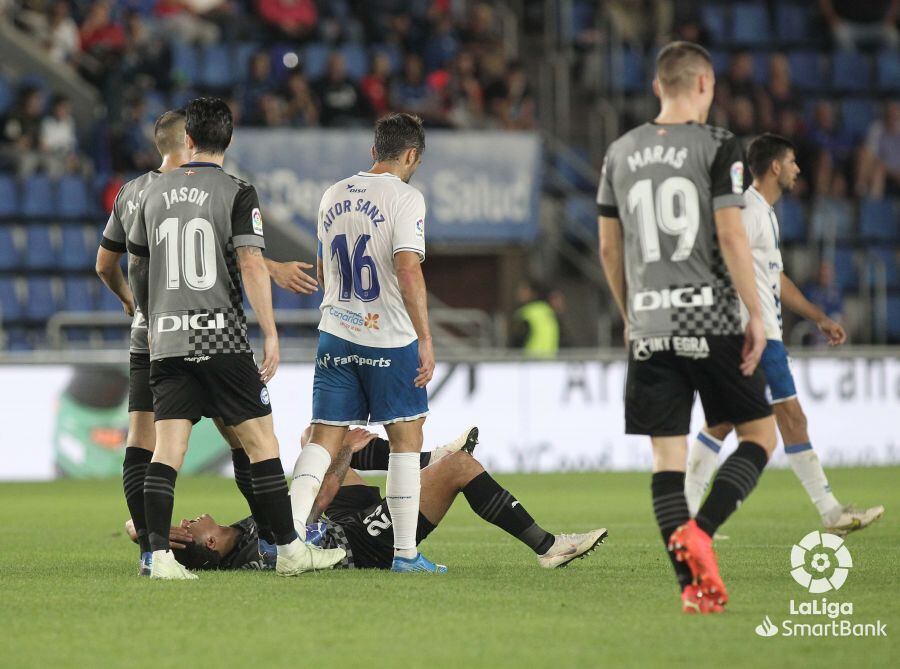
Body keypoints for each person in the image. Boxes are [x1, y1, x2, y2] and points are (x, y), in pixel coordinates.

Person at [95, 108, 323, 575]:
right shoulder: (228, 190)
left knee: (154, 443)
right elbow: (241, 258)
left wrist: (138, 307)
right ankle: (281, 544)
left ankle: (153, 553)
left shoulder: (140, 192)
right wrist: (271, 317)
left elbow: (119, 263)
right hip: (218, 336)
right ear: (194, 140)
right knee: (252, 440)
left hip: (158, 338)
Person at [597, 42, 778, 614]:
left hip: (649, 326)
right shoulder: (719, 144)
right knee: (759, 437)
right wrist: (755, 310)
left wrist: (630, 315)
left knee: (666, 464)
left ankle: (692, 589)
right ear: (704, 84)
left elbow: (608, 245)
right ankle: (702, 531)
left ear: (658, 87)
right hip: (713, 321)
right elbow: (730, 235)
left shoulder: (620, 152)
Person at [684, 134, 885, 536]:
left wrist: (818, 317)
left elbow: (774, 278)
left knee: (723, 422)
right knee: (790, 417)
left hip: (755, 332)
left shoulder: (764, 213)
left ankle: (684, 516)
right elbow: (721, 260)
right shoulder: (748, 210)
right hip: (755, 335)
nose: (797, 169)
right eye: (792, 161)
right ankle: (830, 512)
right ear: (775, 166)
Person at [291, 112, 441, 573]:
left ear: (374, 150)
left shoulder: (332, 194)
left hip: (335, 333)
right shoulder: (407, 198)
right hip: (388, 338)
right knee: (406, 438)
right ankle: (404, 554)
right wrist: (426, 338)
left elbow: (323, 269)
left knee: (322, 439)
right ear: (411, 155)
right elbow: (408, 267)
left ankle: (289, 542)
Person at [130, 427, 607, 572]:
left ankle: (428, 459)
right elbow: (323, 495)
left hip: (339, 516)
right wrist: (343, 457)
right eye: (191, 527)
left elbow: (137, 529)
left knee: (314, 440)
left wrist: (150, 537)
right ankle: (548, 546)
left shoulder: (231, 540)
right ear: (211, 545)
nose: (189, 519)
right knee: (461, 469)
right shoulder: (263, 549)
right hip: (363, 541)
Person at [510, 278, 560, 357]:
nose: (519, 292)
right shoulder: (549, 311)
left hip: (529, 362)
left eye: (523, 289)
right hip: (549, 363)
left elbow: (517, 340)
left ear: (532, 293)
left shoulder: (526, 313)